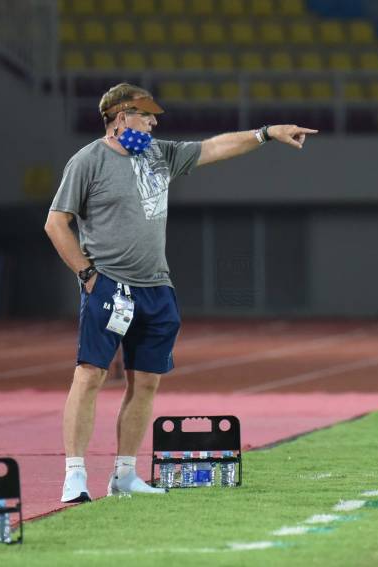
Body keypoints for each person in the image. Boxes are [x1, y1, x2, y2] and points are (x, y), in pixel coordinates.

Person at [45, 82, 316, 502]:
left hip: (157, 286)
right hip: (109, 286)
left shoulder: (160, 153)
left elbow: (213, 148)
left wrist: (264, 134)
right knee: (91, 375)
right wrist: (86, 275)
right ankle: (74, 476)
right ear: (120, 117)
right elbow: (55, 222)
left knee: (146, 383)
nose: (153, 122)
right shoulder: (88, 161)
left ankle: (124, 475)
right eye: (146, 115)